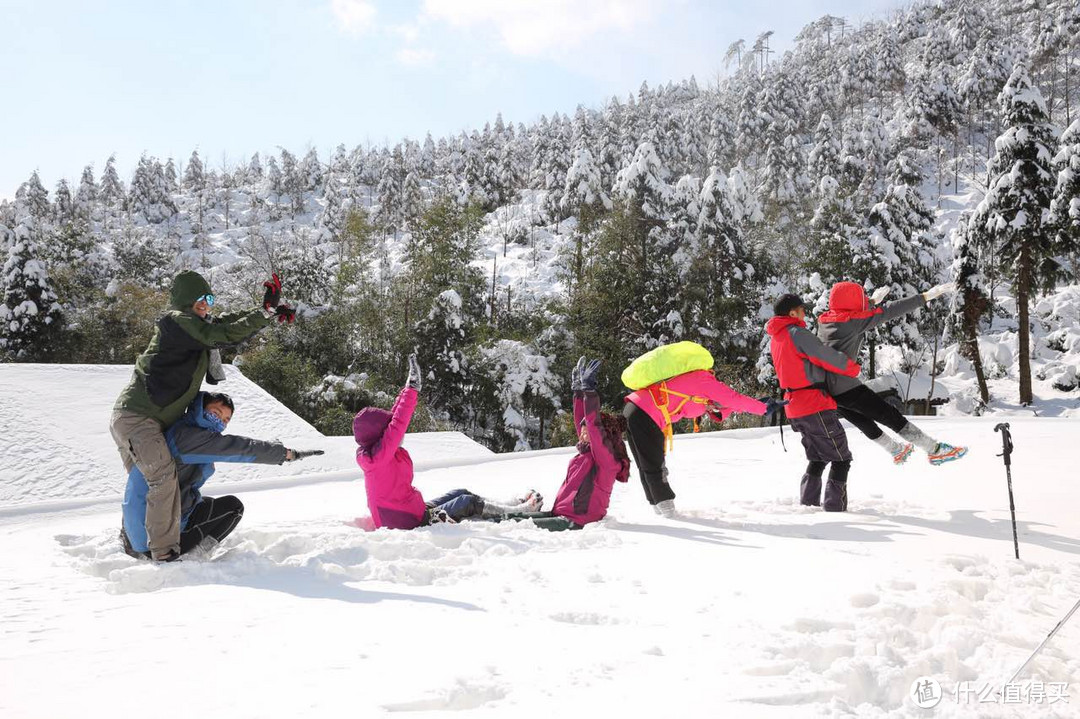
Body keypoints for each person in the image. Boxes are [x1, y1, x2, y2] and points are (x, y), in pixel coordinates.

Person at [110, 270, 295, 561]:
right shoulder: (177, 321)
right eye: (201, 298)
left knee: (145, 481)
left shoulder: (195, 326)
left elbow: (222, 324)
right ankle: (162, 553)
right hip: (137, 417)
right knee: (160, 477)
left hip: (150, 419)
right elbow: (218, 335)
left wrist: (265, 311)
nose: (207, 304)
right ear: (185, 300)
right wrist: (262, 316)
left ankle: (138, 540)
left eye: (210, 298)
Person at [120, 392, 318, 559]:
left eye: (225, 420)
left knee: (203, 503)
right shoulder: (189, 438)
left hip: (137, 532)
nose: (220, 422)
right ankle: (191, 556)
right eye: (215, 414)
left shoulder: (178, 430)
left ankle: (160, 547)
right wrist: (284, 453)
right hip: (156, 541)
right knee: (233, 508)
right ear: (199, 409)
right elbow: (240, 449)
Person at [353, 354, 542, 529]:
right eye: (387, 431)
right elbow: (398, 423)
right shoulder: (379, 458)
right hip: (407, 521)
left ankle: (508, 504)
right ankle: (520, 512)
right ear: (381, 435)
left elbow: (394, 420)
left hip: (409, 510)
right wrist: (412, 390)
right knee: (467, 502)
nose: (394, 433)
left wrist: (407, 388)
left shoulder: (376, 452)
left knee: (460, 491)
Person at [817, 281, 967, 466]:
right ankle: (934, 450)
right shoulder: (852, 323)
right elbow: (890, 311)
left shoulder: (825, 321)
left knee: (863, 420)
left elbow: (854, 312)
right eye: (860, 298)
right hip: (845, 387)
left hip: (827, 389)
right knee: (889, 415)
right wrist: (925, 296)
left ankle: (896, 450)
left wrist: (871, 302)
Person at [622, 354, 781, 517]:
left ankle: (658, 508)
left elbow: (722, 405)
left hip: (633, 408)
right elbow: (734, 399)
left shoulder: (687, 380)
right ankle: (667, 513)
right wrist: (762, 408)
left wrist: (757, 405)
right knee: (654, 465)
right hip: (645, 414)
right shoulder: (704, 380)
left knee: (646, 464)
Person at [492, 356, 631, 531]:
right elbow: (584, 421)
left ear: (604, 435)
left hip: (577, 521)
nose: (582, 432)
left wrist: (590, 392)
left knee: (511, 527)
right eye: (583, 429)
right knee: (507, 519)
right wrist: (579, 393)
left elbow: (593, 425)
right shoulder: (587, 453)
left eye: (587, 430)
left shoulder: (607, 461)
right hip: (559, 514)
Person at [767, 293, 863, 511]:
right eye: (801, 309)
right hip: (813, 404)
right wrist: (852, 369)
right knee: (841, 458)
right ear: (792, 313)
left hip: (793, 405)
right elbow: (823, 354)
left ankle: (808, 504)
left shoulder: (777, 337)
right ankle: (834, 508)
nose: (804, 312)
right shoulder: (797, 333)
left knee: (818, 456)